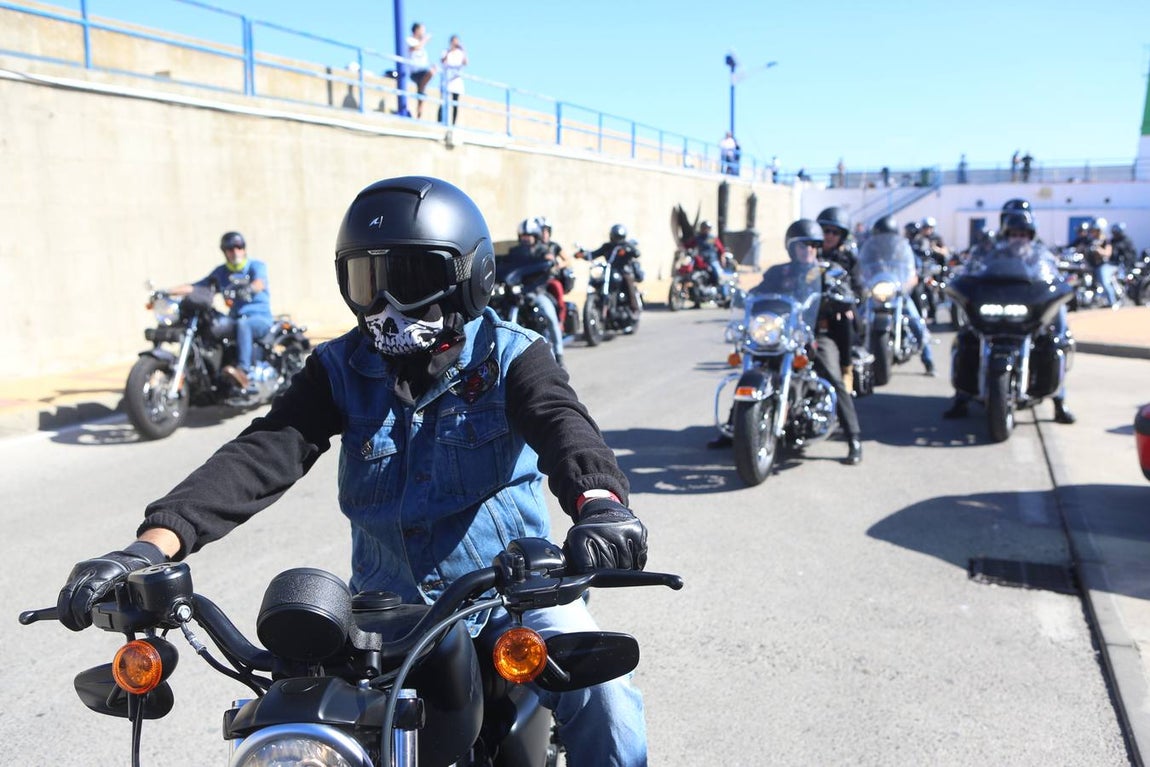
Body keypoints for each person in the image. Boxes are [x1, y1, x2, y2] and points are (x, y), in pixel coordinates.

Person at [55, 176, 651, 766]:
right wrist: (147, 550)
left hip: (507, 598)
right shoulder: (341, 367)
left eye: (408, 281)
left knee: (606, 699)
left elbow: (564, 427)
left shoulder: (512, 355)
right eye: (368, 282)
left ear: (468, 280)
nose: (384, 306)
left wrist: (600, 505)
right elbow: (265, 449)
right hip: (384, 620)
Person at [709, 219, 863, 464]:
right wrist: (738, 295)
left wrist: (841, 296)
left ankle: (854, 437)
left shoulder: (826, 271)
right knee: (752, 366)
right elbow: (756, 295)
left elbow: (846, 293)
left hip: (814, 335)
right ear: (791, 248)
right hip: (781, 332)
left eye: (813, 245)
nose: (808, 250)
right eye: (803, 246)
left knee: (833, 376)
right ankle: (737, 425)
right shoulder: (779, 272)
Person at [943, 209, 1075, 424]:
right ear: (1007, 234)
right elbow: (975, 269)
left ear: (1031, 235)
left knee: (1054, 340)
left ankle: (1060, 402)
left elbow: (1053, 276)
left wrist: (1059, 284)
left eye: (1024, 233)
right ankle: (961, 397)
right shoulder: (994, 254)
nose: (1019, 237)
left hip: (1027, 310)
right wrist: (965, 278)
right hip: (998, 309)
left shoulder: (1040, 255)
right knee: (969, 338)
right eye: (1014, 233)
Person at [164, 231, 273, 393]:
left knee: (243, 324)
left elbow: (259, 283)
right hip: (235, 319)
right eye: (230, 248)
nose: (235, 251)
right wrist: (167, 292)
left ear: (244, 249)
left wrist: (248, 288)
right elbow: (196, 287)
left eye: (239, 247)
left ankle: (244, 371)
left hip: (259, 317)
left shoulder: (255, 266)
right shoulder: (221, 272)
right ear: (224, 251)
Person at [872, 216, 935, 375]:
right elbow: (861, 269)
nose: (883, 239)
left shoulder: (903, 250)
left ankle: (929, 361)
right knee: (856, 318)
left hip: (898, 294)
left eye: (886, 235)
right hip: (876, 293)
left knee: (917, 323)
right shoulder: (871, 251)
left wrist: (905, 286)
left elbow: (914, 272)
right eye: (880, 235)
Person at [507, 217, 566, 367]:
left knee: (550, 314)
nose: (526, 239)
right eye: (524, 236)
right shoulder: (515, 252)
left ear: (536, 237)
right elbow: (506, 265)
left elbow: (550, 262)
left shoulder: (542, 251)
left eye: (529, 236)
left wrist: (549, 261)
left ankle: (559, 355)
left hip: (537, 292)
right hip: (517, 292)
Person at [587, 224, 643, 314]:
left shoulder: (626, 245)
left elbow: (636, 253)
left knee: (628, 281)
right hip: (609, 271)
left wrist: (629, 251)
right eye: (615, 237)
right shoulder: (607, 246)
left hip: (624, 271)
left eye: (619, 237)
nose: (617, 239)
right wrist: (583, 254)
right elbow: (594, 254)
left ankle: (634, 307)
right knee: (598, 281)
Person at [685, 220, 732, 302]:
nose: (705, 230)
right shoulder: (698, 238)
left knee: (719, 276)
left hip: (712, 260)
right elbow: (688, 245)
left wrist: (722, 258)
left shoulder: (712, 238)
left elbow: (721, 250)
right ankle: (696, 298)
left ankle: (725, 296)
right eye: (703, 228)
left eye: (707, 228)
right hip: (701, 261)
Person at [1084, 216, 1118, 307]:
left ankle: (1112, 302)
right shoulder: (1091, 241)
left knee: (1104, 282)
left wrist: (1099, 250)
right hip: (1092, 266)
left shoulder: (1105, 241)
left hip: (1104, 265)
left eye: (1094, 230)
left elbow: (1108, 253)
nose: (1092, 232)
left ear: (1100, 230)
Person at [405, 22, 434, 119]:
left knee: (421, 92)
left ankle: (419, 115)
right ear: (416, 30)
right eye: (422, 30)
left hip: (422, 70)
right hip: (415, 71)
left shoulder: (421, 45)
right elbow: (415, 48)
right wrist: (425, 40)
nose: (423, 32)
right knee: (429, 75)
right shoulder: (410, 40)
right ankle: (421, 88)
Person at [439, 34, 467, 125]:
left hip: (456, 80)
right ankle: (440, 121)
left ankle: (453, 123)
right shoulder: (446, 51)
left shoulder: (460, 53)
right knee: (443, 101)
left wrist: (463, 50)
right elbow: (442, 61)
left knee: (455, 103)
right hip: (447, 80)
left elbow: (465, 62)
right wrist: (449, 51)